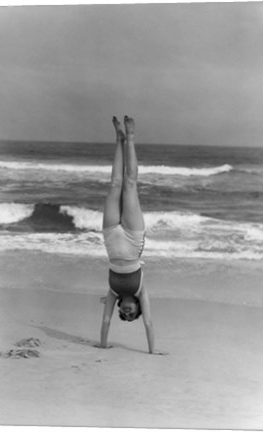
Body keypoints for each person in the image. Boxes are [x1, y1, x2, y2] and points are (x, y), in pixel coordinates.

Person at [97, 115, 162, 354]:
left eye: (124, 315)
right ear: (137, 306)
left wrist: (103, 346)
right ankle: (131, 137)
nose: (126, 312)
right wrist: (152, 352)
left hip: (111, 237)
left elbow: (105, 321)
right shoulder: (140, 291)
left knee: (115, 184)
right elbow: (149, 323)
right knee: (130, 184)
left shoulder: (113, 293)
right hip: (134, 240)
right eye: (132, 313)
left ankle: (118, 138)